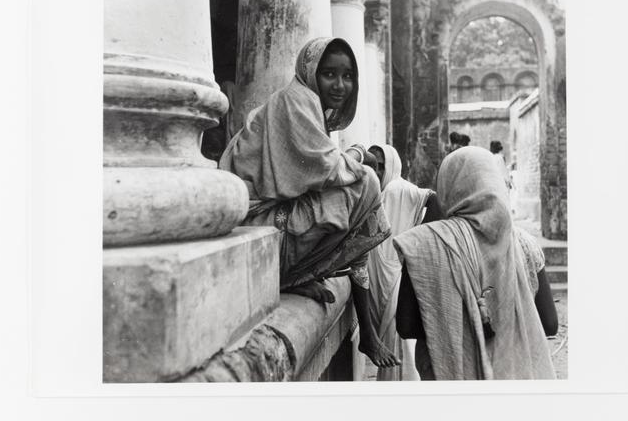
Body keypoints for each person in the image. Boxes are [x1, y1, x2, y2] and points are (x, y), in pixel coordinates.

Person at [220, 37, 400, 369]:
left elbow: (320, 174)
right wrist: (359, 155)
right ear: (310, 71)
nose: (340, 85)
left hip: (265, 222)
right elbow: (331, 168)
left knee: (360, 190)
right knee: (367, 185)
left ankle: (302, 274)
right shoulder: (297, 101)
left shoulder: (305, 105)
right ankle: (294, 275)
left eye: (347, 76)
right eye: (330, 74)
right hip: (257, 226)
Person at [393, 146, 556, 380]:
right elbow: (549, 324)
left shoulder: (424, 244)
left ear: (448, 188)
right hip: (514, 382)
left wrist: (453, 320)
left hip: (449, 384)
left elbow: (406, 326)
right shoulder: (525, 244)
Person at [364, 144, 441, 381]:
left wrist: (415, 246)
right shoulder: (371, 194)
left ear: (392, 166)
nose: (376, 172)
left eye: (381, 166)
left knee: (401, 349)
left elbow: (433, 200)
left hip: (396, 279)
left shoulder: (398, 189)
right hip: (379, 281)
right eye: (372, 166)